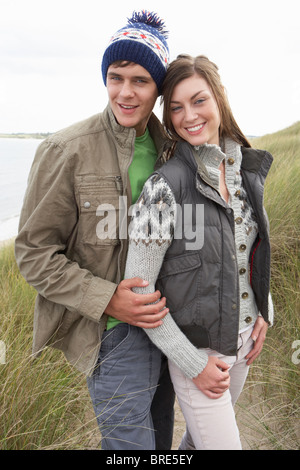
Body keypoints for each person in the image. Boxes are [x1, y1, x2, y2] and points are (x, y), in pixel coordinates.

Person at [14, 11, 176, 450]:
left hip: (174, 327)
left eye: (140, 80)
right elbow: (32, 253)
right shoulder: (66, 150)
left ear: (158, 88)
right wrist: (108, 300)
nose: (125, 92)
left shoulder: (174, 150)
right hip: (114, 334)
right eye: (115, 76)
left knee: (162, 441)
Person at [124, 54, 274, 450]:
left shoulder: (243, 171)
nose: (187, 116)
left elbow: (249, 249)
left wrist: (263, 310)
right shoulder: (162, 188)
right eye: (175, 107)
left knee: (197, 444)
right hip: (197, 355)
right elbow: (139, 292)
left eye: (198, 100)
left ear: (219, 99)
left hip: (243, 344)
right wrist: (194, 365)